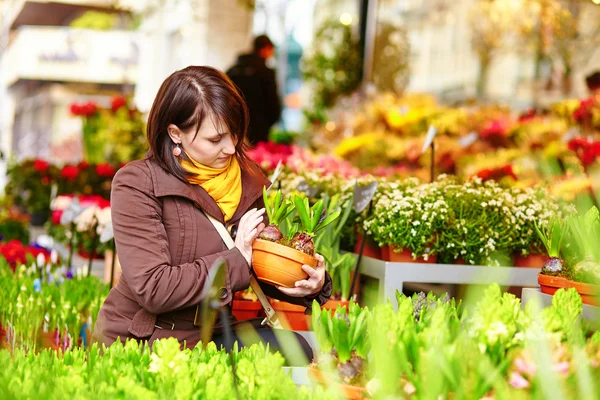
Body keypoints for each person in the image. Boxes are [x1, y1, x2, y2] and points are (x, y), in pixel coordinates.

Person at [92, 66, 331, 365]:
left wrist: (310, 282)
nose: (230, 148)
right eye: (215, 139)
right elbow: (153, 288)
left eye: (234, 133)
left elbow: (262, 265)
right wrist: (237, 258)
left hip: (213, 335)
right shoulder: (138, 183)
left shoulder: (250, 182)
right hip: (146, 343)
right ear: (175, 133)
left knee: (294, 348)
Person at [227, 35, 282, 145]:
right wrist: (272, 120)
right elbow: (272, 101)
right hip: (260, 127)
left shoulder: (233, 71)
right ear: (265, 49)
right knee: (258, 157)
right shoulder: (266, 72)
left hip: (235, 124)